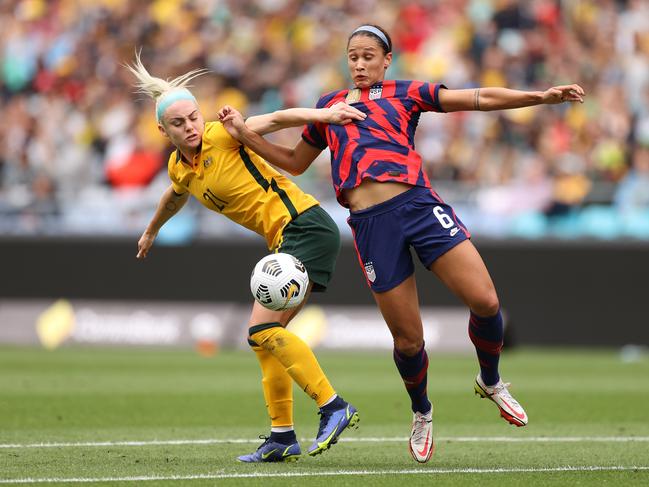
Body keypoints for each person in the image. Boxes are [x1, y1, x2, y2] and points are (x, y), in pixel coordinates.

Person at [218, 24, 586, 463]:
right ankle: (422, 412)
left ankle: (491, 380)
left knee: (486, 301)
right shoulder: (328, 106)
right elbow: (295, 163)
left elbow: (476, 98)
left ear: (387, 58)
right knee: (409, 341)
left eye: (369, 56)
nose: (359, 63)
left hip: (417, 204)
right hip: (372, 226)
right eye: (353, 56)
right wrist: (246, 138)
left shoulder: (407, 92)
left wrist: (540, 97)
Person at [127, 53, 366, 463]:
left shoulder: (224, 133)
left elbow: (277, 118)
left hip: (304, 227)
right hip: (287, 238)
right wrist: (151, 230)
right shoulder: (179, 167)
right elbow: (173, 196)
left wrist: (327, 115)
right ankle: (282, 435)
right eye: (179, 123)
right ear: (162, 129)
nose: (191, 128)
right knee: (263, 340)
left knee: (260, 332)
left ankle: (332, 405)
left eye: (193, 118)